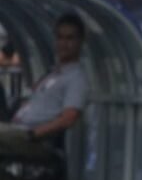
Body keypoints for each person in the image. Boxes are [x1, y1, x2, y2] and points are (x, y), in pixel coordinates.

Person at [0, 13, 88, 161]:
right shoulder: (52, 74)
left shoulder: (76, 78)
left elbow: (69, 118)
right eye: (60, 37)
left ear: (80, 41)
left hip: (34, 139)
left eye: (70, 38)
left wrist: (33, 134)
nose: (63, 44)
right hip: (17, 128)